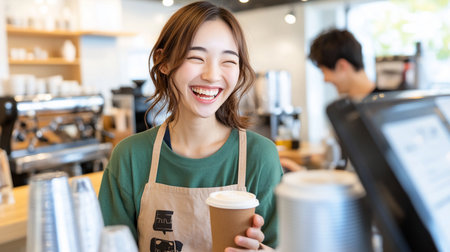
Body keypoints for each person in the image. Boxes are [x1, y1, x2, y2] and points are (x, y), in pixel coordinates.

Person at [98, 1, 283, 251]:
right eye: (195, 57)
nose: (212, 75)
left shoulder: (260, 156)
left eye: (228, 61)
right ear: (163, 62)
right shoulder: (130, 157)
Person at [308, 28, 382, 99]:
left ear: (341, 66)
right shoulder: (343, 109)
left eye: (324, 71)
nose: (325, 79)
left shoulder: (388, 105)